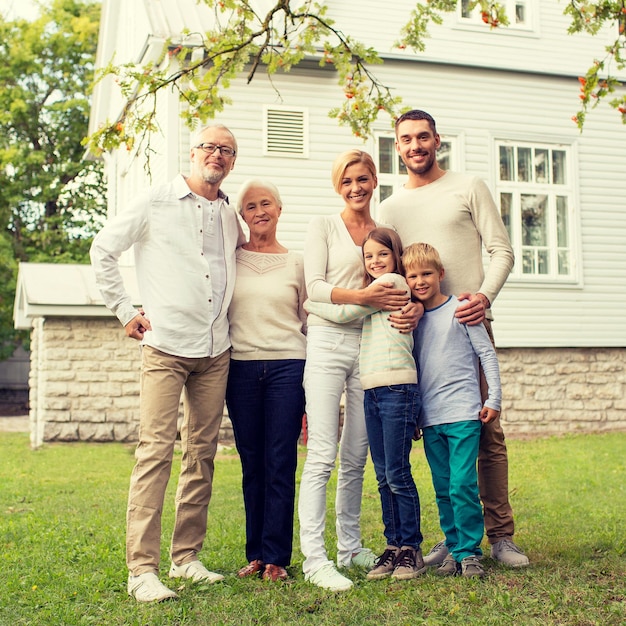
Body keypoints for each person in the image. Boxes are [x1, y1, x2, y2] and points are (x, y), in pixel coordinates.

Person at [90, 124, 245, 602]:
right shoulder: (155, 200)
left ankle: (186, 559)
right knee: (155, 452)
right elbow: (103, 249)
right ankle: (142, 570)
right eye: (209, 147)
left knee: (202, 455)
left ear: (232, 162)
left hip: (215, 350)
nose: (216, 155)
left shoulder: (231, 215)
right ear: (193, 152)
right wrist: (124, 309)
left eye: (226, 150)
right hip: (164, 346)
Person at [378, 109, 528, 567]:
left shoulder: (468, 186)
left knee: (486, 431)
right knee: (437, 436)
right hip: (418, 337)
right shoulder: (389, 207)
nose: (415, 145)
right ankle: (452, 536)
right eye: (406, 139)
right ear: (397, 146)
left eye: (423, 137)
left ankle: (500, 536)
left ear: (437, 141)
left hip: (468, 325)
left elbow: (502, 250)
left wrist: (483, 297)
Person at [298, 149, 420, 592]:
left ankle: (349, 548)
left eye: (363, 178)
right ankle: (316, 558)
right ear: (338, 184)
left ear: (374, 181)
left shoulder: (384, 232)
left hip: (370, 350)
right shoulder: (323, 226)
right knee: (323, 454)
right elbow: (312, 289)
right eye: (347, 180)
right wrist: (363, 297)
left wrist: (418, 309)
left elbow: (406, 282)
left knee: (356, 459)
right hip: (328, 345)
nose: (356, 187)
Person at [225, 179, 307, 583]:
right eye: (251, 206)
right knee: (251, 463)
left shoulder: (297, 262)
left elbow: (308, 321)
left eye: (266, 203)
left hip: (287, 368)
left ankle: (277, 558)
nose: (259, 211)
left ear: (279, 209)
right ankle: (255, 554)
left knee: (280, 462)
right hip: (240, 368)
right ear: (242, 216)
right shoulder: (230, 259)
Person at [404, 242, 502, 578]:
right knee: (444, 486)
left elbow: (486, 355)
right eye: (413, 275)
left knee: (462, 484)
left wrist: (494, 400)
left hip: (463, 413)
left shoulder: (461, 310)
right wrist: (415, 414)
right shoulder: (412, 320)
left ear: (440, 274)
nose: (420, 281)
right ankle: (453, 547)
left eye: (427, 273)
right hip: (430, 419)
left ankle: (469, 552)